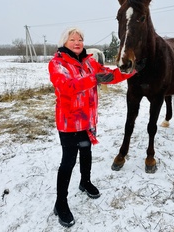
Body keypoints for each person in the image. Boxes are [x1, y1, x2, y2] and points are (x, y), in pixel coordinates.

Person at [48, 27, 136, 228]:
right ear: (65, 42)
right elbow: (66, 87)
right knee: (68, 161)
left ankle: (85, 182)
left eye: (80, 39)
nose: (77, 42)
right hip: (69, 122)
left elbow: (110, 75)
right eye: (73, 39)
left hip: (87, 120)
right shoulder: (57, 63)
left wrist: (132, 70)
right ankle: (60, 203)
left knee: (86, 152)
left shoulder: (89, 62)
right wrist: (93, 79)